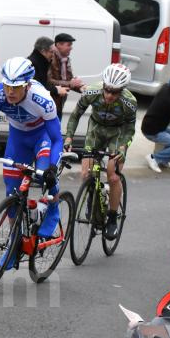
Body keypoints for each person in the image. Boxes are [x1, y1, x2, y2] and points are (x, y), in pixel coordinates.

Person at [0, 57, 64, 267]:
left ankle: (53, 208)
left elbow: (57, 139)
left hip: (42, 137)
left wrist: (53, 166)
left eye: (16, 87)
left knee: (44, 174)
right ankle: (14, 242)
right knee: (11, 192)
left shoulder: (42, 99)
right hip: (18, 138)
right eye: (7, 86)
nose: (10, 92)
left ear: (27, 85)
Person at [64, 64, 136, 239]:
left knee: (113, 176)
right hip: (95, 130)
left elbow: (130, 129)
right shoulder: (92, 92)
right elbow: (75, 114)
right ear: (103, 85)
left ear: (122, 90)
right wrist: (69, 137)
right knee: (86, 173)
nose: (110, 95)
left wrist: (123, 148)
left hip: (117, 134)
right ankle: (92, 194)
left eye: (115, 92)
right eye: (107, 90)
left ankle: (112, 218)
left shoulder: (129, 102)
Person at [48, 33, 84, 118]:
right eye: (69, 45)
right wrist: (70, 83)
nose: (71, 48)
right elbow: (48, 81)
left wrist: (82, 87)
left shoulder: (65, 59)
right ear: (58, 45)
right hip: (48, 105)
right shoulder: (49, 58)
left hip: (59, 104)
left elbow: (69, 80)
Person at [27, 36, 65, 106]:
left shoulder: (41, 62)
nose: (53, 55)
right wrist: (56, 90)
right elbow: (35, 87)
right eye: (51, 52)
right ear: (43, 51)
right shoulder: (32, 65)